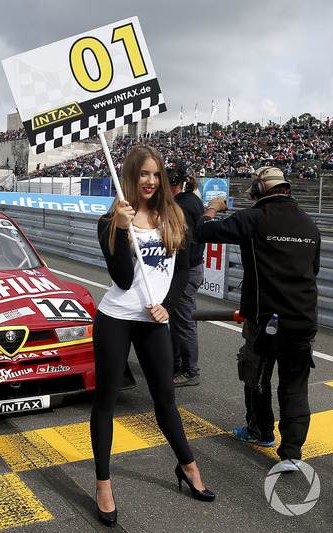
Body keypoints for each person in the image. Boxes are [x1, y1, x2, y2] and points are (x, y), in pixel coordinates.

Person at [92, 146, 214, 527]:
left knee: (166, 401)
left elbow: (183, 269)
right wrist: (122, 229)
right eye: (143, 174)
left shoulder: (173, 214)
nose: (150, 181)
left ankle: (189, 468)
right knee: (106, 402)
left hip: (154, 320)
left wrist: (168, 304)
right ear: (130, 175)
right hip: (116, 318)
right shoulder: (111, 219)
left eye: (156, 174)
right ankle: (103, 484)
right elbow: (123, 279)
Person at [195, 166, 320, 472]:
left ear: (261, 190)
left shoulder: (253, 218)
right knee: (295, 386)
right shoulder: (309, 224)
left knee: (257, 376)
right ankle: (291, 453)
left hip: (265, 319)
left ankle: (260, 431)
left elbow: (202, 231)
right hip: (303, 317)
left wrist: (213, 207)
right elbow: (312, 270)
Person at [167, 160, 206, 387]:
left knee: (183, 321)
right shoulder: (192, 200)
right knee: (179, 319)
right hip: (191, 267)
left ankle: (190, 370)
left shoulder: (181, 205)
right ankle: (178, 365)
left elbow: (184, 242)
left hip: (187, 269)